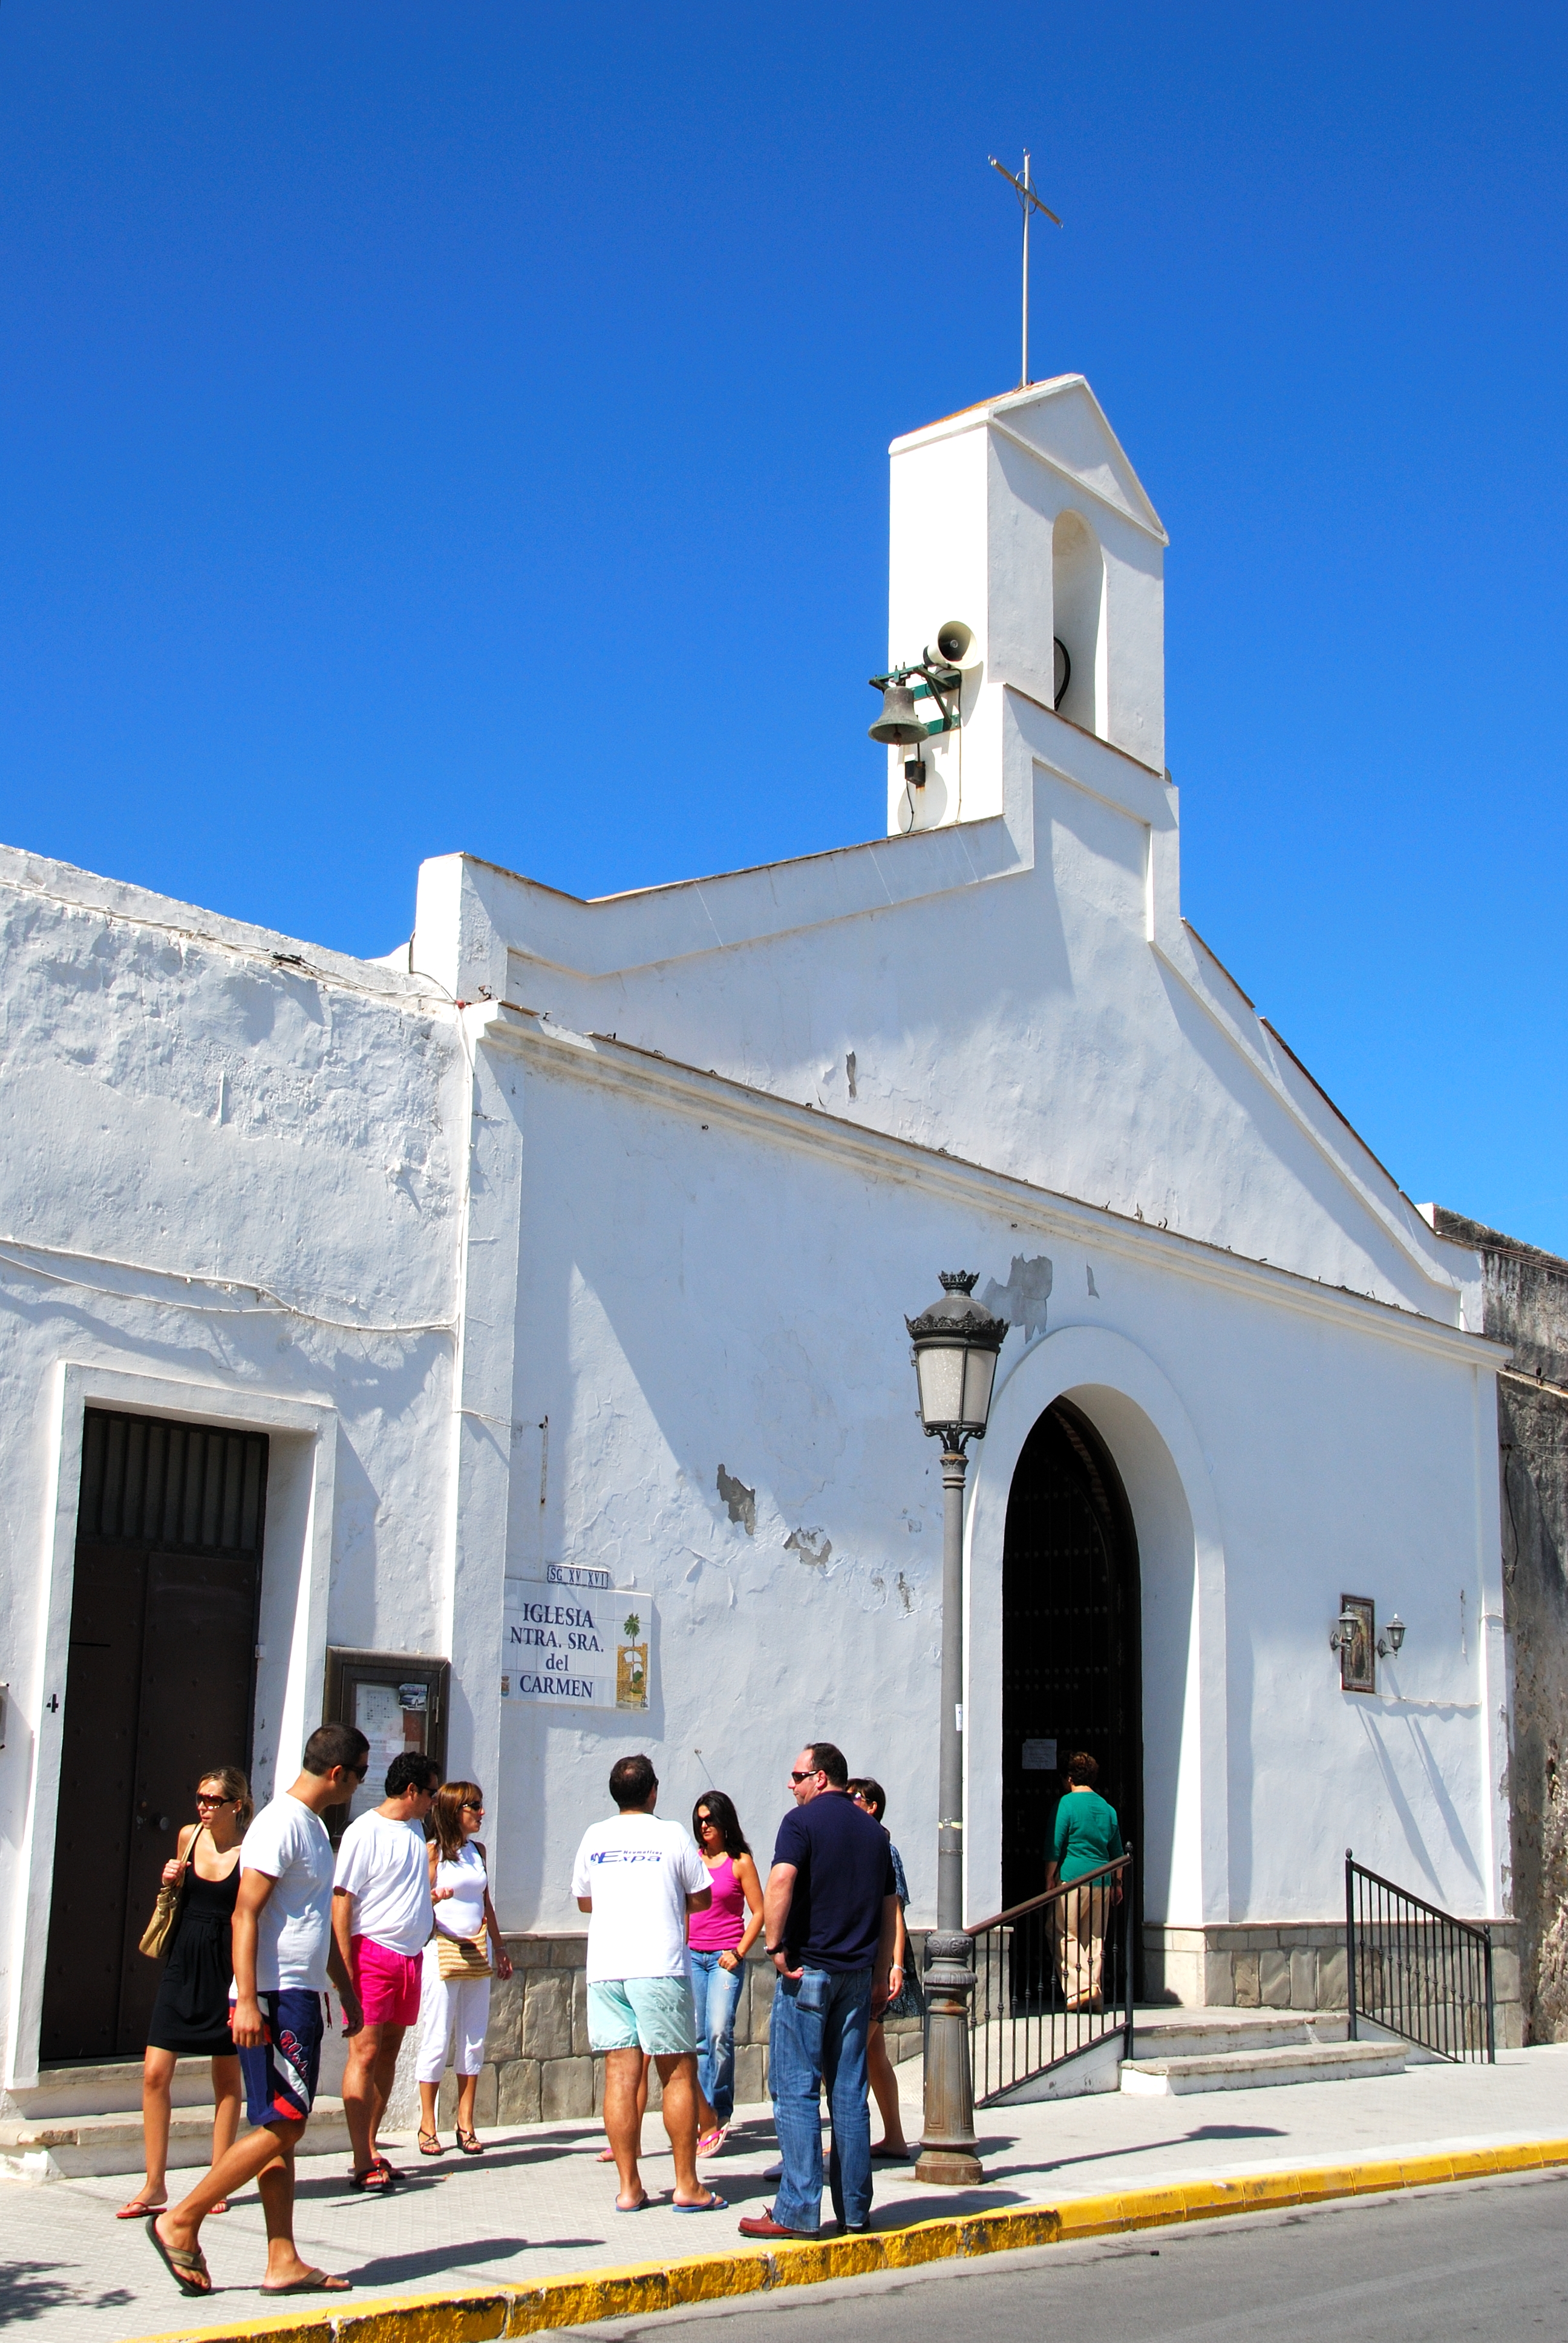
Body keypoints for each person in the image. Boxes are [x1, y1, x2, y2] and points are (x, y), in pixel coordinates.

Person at [145, 1722, 369, 2301]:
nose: (361, 1784)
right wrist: (245, 2000)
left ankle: (282, 2258)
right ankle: (182, 2219)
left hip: (299, 1992)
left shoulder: (315, 1828)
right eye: (362, 1773)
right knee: (287, 2122)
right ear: (339, 1773)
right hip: (274, 1997)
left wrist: (343, 1989)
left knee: (277, 2126)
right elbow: (245, 1915)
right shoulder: (280, 1824)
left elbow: (311, 1924)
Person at [739, 1742, 897, 2242]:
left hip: (809, 1973)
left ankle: (797, 2209)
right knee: (850, 2091)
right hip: (855, 1975)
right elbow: (889, 1905)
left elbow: (782, 1879)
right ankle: (854, 2211)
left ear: (822, 1777)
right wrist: (882, 1969)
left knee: (796, 2088)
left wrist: (774, 1943)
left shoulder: (799, 1823)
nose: (792, 1785)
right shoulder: (876, 1833)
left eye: (798, 1775)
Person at [572, 1752, 724, 2215]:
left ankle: (628, 2188)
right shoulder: (671, 1833)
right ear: (653, 1791)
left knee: (620, 2075)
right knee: (677, 2072)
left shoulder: (594, 1836)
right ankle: (686, 2185)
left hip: (606, 1967)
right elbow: (701, 1895)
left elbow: (584, 1901)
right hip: (658, 1963)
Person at [118, 1767, 252, 2221]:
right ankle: (155, 2184)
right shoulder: (188, 1837)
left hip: (226, 1962)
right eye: (200, 1797)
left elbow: (250, 1912)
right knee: (156, 2072)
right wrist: (170, 1877)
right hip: (184, 1959)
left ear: (237, 1804)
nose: (204, 1806)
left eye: (214, 1800)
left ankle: (219, 2176)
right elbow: (174, 1896)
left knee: (226, 2079)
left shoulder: (250, 1849)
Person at [332, 1749, 445, 2189]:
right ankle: (361, 2159)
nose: (434, 1801)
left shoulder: (417, 1828)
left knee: (390, 2052)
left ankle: (372, 2146)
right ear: (412, 1790)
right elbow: (344, 1899)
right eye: (431, 1793)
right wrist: (344, 1970)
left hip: (410, 1957)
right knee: (364, 2051)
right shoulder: (365, 1830)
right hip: (371, 1954)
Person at [415, 1780, 512, 2156]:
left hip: (478, 1948)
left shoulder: (478, 1852)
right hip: (442, 1949)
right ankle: (427, 2122)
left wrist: (500, 1946)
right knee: (438, 2036)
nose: (481, 1813)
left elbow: (485, 1901)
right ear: (454, 1811)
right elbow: (419, 1902)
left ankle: (466, 2120)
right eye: (474, 1807)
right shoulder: (433, 1853)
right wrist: (433, 1895)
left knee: (474, 2037)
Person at [688, 1789, 763, 2156]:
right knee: (700, 2040)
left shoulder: (740, 1862)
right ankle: (706, 2121)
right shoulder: (693, 1861)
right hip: (692, 1955)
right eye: (699, 1820)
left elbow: (759, 1912)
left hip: (723, 1957)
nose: (704, 1826)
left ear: (724, 1821)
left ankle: (720, 2110)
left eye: (710, 1819)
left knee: (719, 2033)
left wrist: (739, 1952)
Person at [848, 1777, 914, 2160]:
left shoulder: (884, 1849)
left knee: (852, 2050)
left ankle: (848, 2139)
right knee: (875, 2054)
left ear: (872, 1806)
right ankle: (894, 2138)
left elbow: (896, 1911)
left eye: (855, 1797)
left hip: (880, 1963)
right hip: (875, 1961)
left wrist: (896, 1965)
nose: (849, 1802)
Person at [1047, 1751, 1125, 2011]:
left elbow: (1055, 1846)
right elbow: (1117, 1853)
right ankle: (1094, 1995)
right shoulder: (1108, 1809)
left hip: (1072, 1879)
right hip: (1102, 1880)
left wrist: (1049, 1878)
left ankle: (1081, 1989)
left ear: (1069, 1779)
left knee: (1061, 1933)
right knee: (1094, 1938)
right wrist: (1117, 1884)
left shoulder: (1066, 1804)